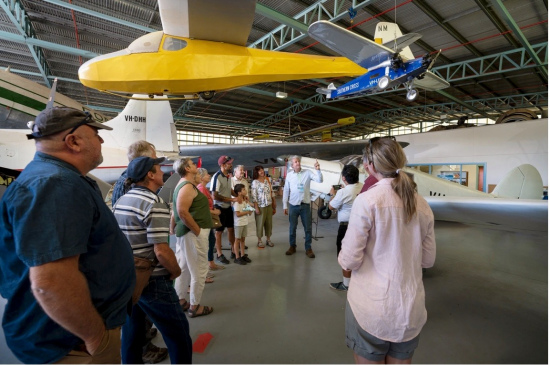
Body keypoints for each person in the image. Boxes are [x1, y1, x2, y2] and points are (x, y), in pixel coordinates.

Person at [0, 107, 135, 363]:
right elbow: (50, 283)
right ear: (73, 141)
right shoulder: (54, 185)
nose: (102, 140)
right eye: (95, 133)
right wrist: (97, 338)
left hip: (69, 335)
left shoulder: (57, 179)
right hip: (70, 342)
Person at [338, 137, 436, 364]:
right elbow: (428, 260)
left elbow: (349, 260)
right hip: (410, 311)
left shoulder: (367, 200)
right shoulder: (422, 203)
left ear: (370, 165)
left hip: (371, 310)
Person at [113, 156, 192, 364]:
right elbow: (161, 251)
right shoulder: (154, 203)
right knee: (179, 335)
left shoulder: (122, 200)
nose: (162, 172)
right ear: (150, 175)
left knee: (132, 333)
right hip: (154, 281)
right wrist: (175, 271)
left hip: (131, 279)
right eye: (158, 168)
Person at [111, 139, 168, 364]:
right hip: (139, 263)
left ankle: (141, 342)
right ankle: (143, 348)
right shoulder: (130, 186)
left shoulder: (124, 181)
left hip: (131, 260)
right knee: (136, 315)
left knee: (137, 313)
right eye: (153, 158)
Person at [173, 158, 214, 318]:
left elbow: (175, 212)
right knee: (199, 269)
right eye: (192, 164)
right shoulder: (187, 187)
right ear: (187, 168)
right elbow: (181, 211)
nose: (195, 165)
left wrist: (173, 227)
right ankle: (195, 306)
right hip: (192, 234)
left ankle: (181, 300)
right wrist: (197, 231)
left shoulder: (182, 185)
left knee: (183, 268)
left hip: (186, 234)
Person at [327, 165, 363, 291]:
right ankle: (357, 282)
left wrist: (333, 194)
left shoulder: (343, 192)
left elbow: (331, 207)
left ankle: (346, 284)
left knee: (345, 255)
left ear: (343, 178)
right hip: (361, 226)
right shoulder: (363, 186)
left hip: (346, 228)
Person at [282, 155, 323, 258]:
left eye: (298, 161)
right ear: (292, 165)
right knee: (292, 228)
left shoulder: (308, 173)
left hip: (305, 205)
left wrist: (318, 170)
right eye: (296, 162)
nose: (298, 163)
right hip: (293, 205)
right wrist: (284, 205)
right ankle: (292, 246)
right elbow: (286, 190)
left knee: (308, 228)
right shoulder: (290, 175)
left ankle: (308, 248)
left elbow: (319, 180)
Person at [196, 168, 225, 273]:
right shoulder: (201, 189)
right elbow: (201, 207)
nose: (209, 176)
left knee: (211, 240)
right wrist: (214, 212)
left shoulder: (204, 188)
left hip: (207, 220)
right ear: (202, 177)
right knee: (206, 243)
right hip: (204, 220)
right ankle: (205, 268)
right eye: (207, 174)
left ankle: (210, 263)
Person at [210, 155, 238, 264]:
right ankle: (219, 254)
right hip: (219, 207)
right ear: (222, 165)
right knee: (219, 232)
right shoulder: (217, 177)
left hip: (228, 207)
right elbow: (214, 196)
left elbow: (229, 189)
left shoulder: (228, 176)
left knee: (231, 229)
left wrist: (237, 195)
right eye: (229, 163)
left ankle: (233, 250)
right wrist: (230, 199)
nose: (231, 165)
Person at [111, 140, 156, 205]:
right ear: (144, 160)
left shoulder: (126, 177)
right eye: (154, 157)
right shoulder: (135, 181)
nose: (157, 160)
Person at [251, 165, 276, 248]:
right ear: (256, 172)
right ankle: (259, 241)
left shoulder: (267, 180)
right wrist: (256, 207)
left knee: (269, 223)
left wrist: (274, 203)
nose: (262, 171)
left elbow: (271, 192)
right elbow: (254, 196)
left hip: (268, 204)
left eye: (262, 170)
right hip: (260, 206)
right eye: (259, 170)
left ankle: (268, 239)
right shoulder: (255, 182)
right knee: (260, 223)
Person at [232, 183, 254, 264]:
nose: (245, 190)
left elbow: (250, 212)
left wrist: (248, 204)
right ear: (239, 192)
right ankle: (237, 257)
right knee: (237, 239)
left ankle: (243, 254)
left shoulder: (244, 201)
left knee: (243, 239)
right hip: (238, 224)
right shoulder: (237, 202)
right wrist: (247, 212)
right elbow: (237, 214)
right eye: (244, 189)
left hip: (244, 222)